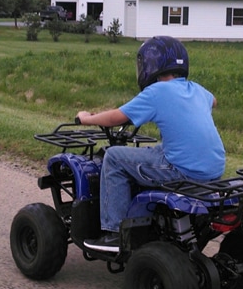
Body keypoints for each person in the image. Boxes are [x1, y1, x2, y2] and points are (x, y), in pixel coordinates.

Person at [76, 36, 225, 252]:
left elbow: (115, 118)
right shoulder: (197, 89)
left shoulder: (156, 91)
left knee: (114, 156)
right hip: (214, 169)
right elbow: (214, 101)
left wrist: (86, 118)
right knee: (157, 150)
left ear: (151, 65)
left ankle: (114, 233)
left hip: (182, 171)